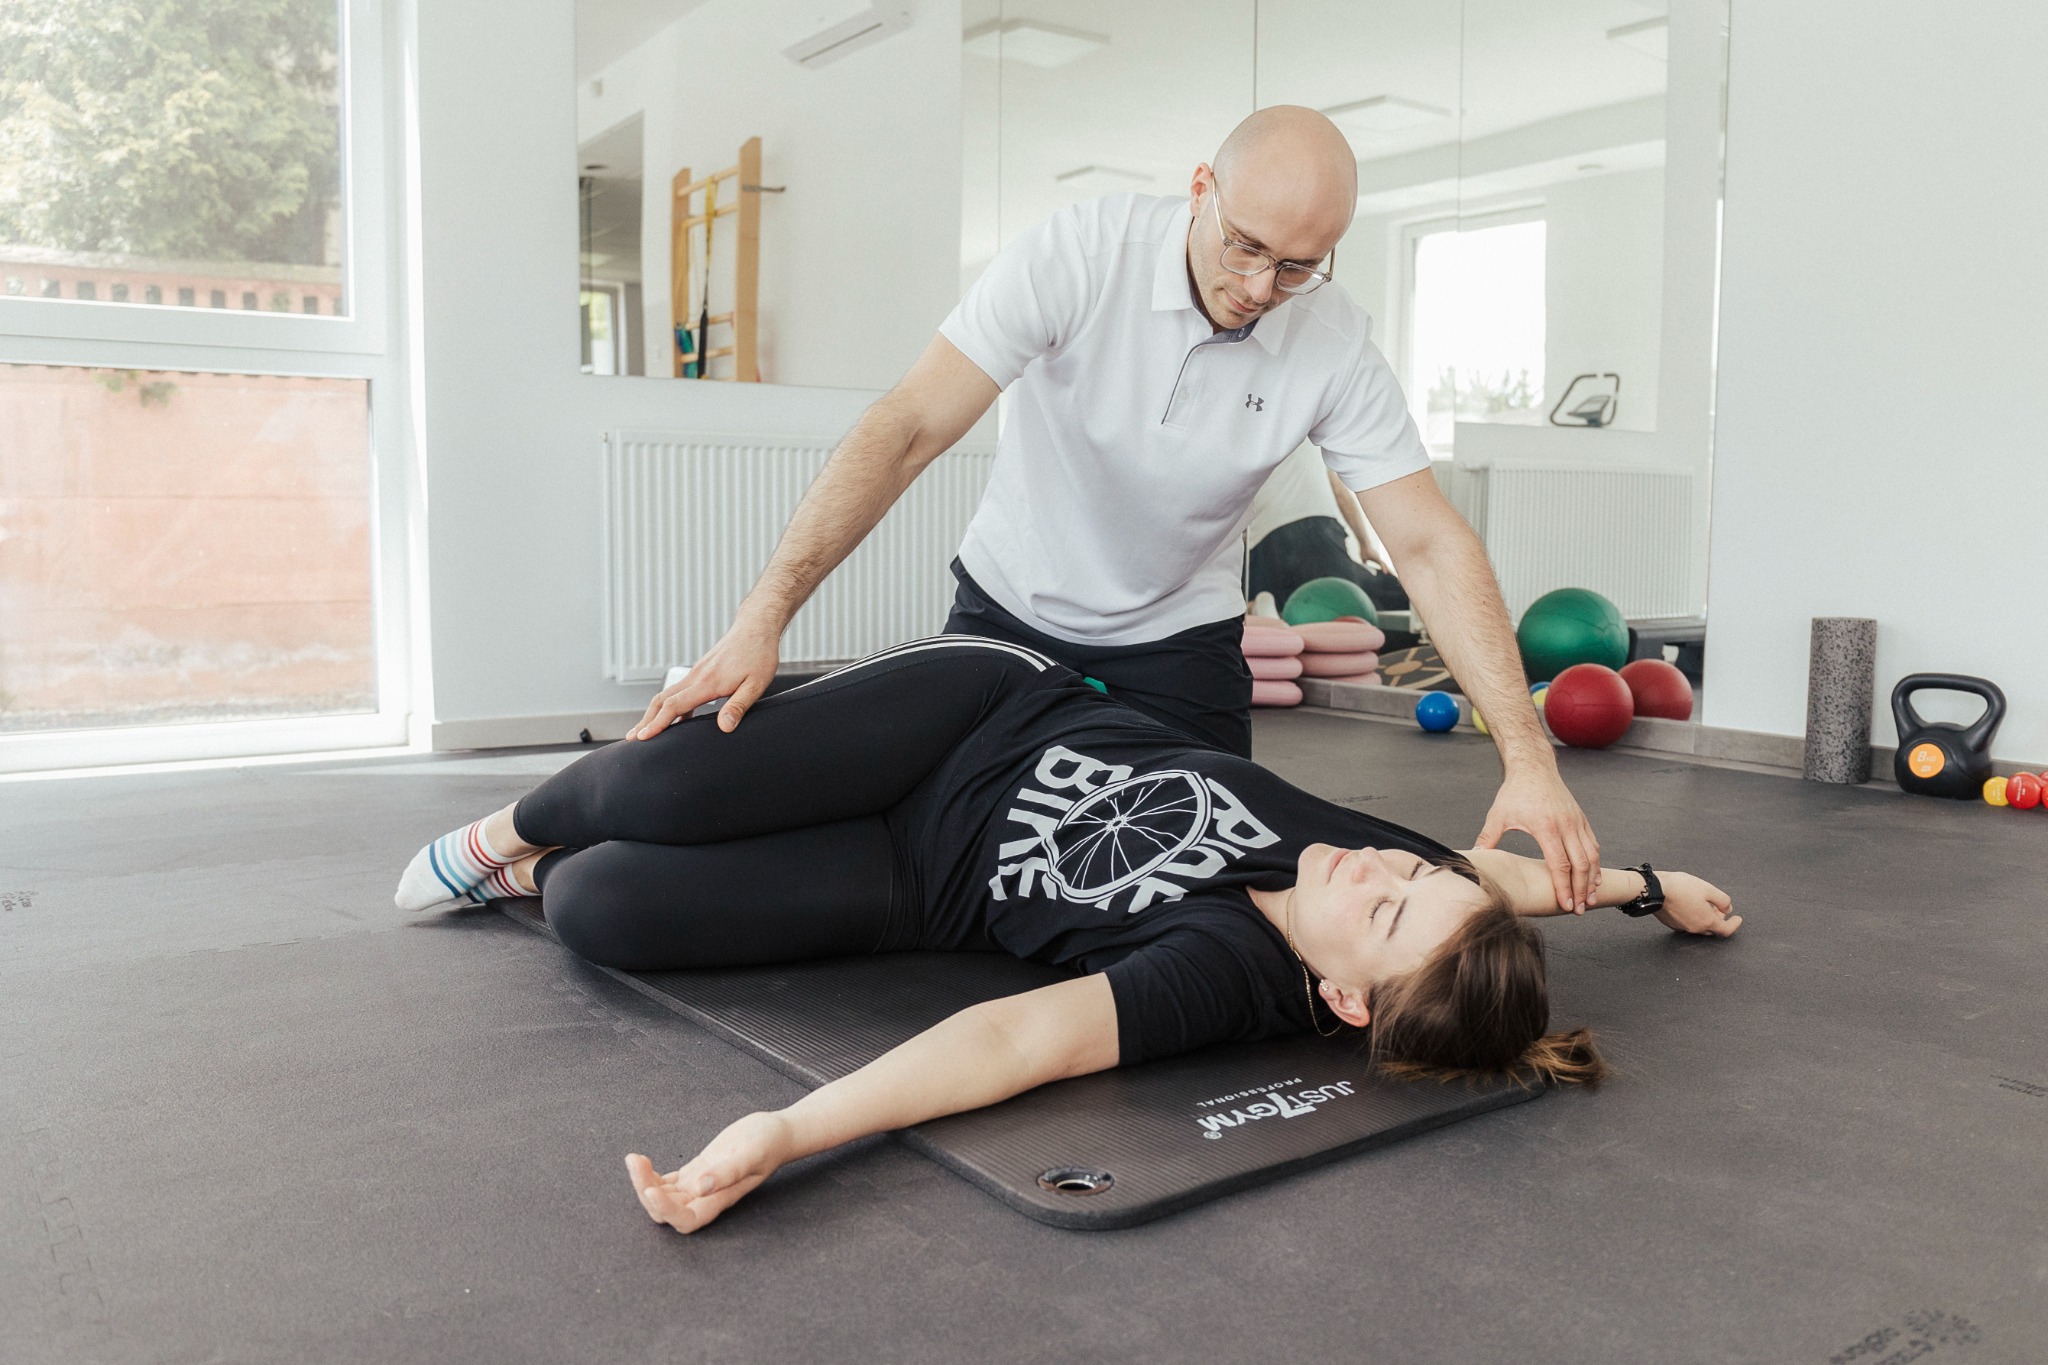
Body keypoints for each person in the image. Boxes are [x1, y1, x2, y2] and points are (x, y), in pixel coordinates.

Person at [397, 638, 1740, 1235]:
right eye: (1408, 864)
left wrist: (784, 1132)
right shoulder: (1431, 892)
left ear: (1343, 998)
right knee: (646, 787)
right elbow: (1508, 880)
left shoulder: (1227, 974)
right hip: (983, 714)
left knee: (601, 906)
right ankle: (498, 836)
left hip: (918, 874)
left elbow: (1018, 1035)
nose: (1381, 862)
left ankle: (560, 861)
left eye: (1383, 904)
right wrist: (1649, 881)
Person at [631, 104, 1607, 917]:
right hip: (1008, 619)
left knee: (1206, 883)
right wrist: (763, 617)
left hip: (1177, 641)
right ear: (1199, 189)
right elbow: (908, 427)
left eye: (1298, 267)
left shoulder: (1333, 342)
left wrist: (1525, 757)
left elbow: (1427, 542)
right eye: (1246, 247)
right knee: (949, 847)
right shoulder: (1078, 254)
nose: (1260, 289)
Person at [1247, 439, 1412, 630]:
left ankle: (1263, 605)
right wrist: (1365, 544)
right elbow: (1340, 493)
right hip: (1318, 528)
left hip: (1265, 539)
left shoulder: (1248, 437)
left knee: (1279, 612)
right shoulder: (1312, 434)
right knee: (1347, 607)